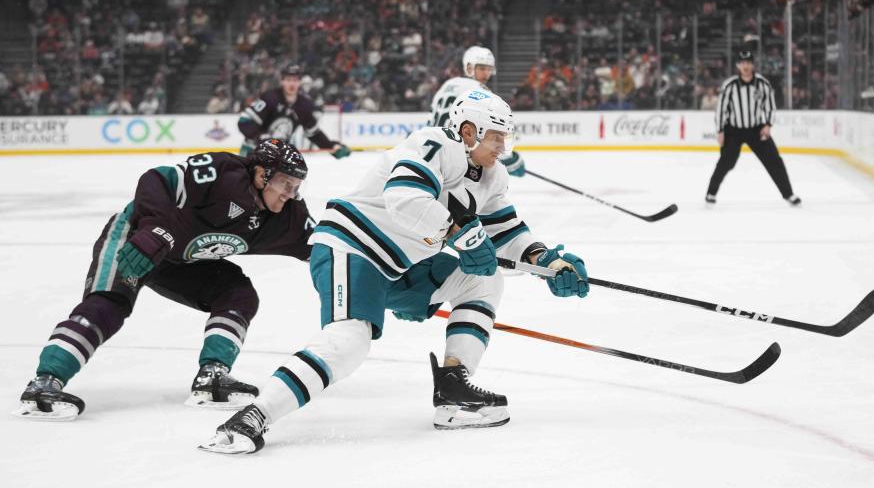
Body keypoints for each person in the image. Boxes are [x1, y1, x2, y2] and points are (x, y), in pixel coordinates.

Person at [200, 90, 589, 454]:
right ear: (469, 131)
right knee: (349, 343)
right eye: (497, 138)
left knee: (484, 280)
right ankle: (254, 416)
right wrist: (462, 235)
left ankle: (454, 391)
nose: (504, 147)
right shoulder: (435, 144)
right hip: (352, 247)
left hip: (400, 265)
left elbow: (506, 233)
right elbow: (404, 197)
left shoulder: (493, 176)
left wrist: (548, 262)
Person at [16, 139, 317, 421]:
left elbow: (323, 248)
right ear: (262, 175)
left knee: (238, 295)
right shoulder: (224, 173)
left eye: (295, 187)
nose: (289, 194)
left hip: (181, 260)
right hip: (137, 239)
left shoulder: (289, 217)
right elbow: (158, 179)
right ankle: (45, 381)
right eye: (284, 183)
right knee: (108, 304)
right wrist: (153, 229)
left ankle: (212, 376)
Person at [707, 50, 801, 206]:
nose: (745, 66)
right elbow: (721, 109)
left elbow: (770, 107)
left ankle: (788, 194)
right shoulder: (729, 85)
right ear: (738, 65)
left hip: (756, 130)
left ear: (753, 65)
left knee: (774, 161)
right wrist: (720, 130)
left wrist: (768, 125)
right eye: (742, 63)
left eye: (748, 63)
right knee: (726, 162)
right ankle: (711, 192)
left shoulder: (763, 84)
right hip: (733, 130)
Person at [430, 46, 526, 178]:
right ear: (469, 68)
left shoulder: (446, 86)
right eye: (482, 68)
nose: (486, 74)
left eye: (489, 69)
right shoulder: (479, 91)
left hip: (432, 150)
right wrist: (509, 159)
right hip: (457, 156)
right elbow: (488, 132)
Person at [238, 64, 351, 160]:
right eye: (288, 80)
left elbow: (314, 133)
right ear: (282, 81)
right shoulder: (270, 98)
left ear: (299, 82)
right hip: (253, 151)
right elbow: (244, 121)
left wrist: (332, 147)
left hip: (277, 155)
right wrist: (261, 137)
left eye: (295, 80)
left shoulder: (304, 105)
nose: (292, 84)